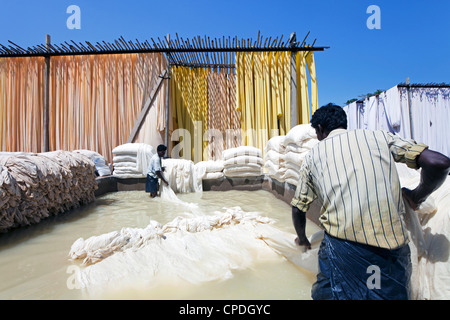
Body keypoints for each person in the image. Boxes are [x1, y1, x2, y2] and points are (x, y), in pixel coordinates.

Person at [291, 103, 450, 300]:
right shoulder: (379, 137)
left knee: (330, 293)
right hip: (393, 247)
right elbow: (438, 162)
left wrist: (303, 238)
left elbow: (298, 207)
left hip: (344, 248)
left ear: (321, 129)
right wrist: (417, 196)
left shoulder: (313, 156)